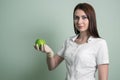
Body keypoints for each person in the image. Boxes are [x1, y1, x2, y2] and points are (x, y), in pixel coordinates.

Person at [34, 3, 109, 80]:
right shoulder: (69, 41)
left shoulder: (100, 43)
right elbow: (52, 66)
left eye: (84, 17)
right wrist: (49, 53)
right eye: (76, 18)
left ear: (91, 19)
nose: (79, 21)